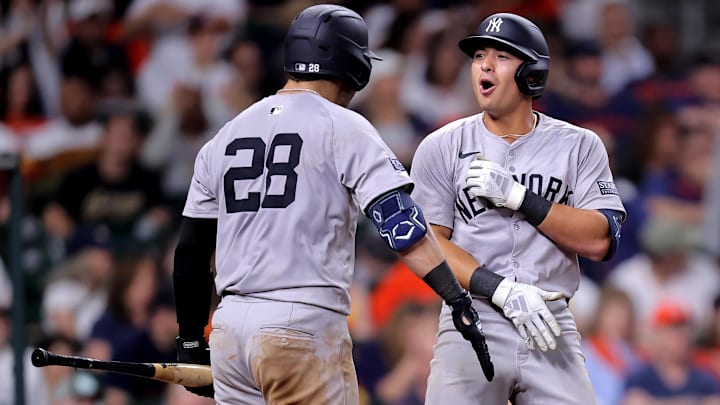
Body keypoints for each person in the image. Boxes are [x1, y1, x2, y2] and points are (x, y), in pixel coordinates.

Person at [172, 4, 492, 404]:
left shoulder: (225, 135)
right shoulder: (344, 125)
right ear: (353, 65)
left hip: (230, 330)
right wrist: (456, 297)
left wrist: (189, 339)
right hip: (301, 323)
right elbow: (402, 228)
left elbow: (190, 252)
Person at [410, 13, 626, 404]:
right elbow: (428, 244)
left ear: (532, 74)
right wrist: (500, 290)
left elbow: (601, 239)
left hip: (550, 320)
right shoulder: (441, 146)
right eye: (479, 55)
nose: (485, 65)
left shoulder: (579, 145)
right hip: (471, 320)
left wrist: (523, 199)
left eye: (502, 56)